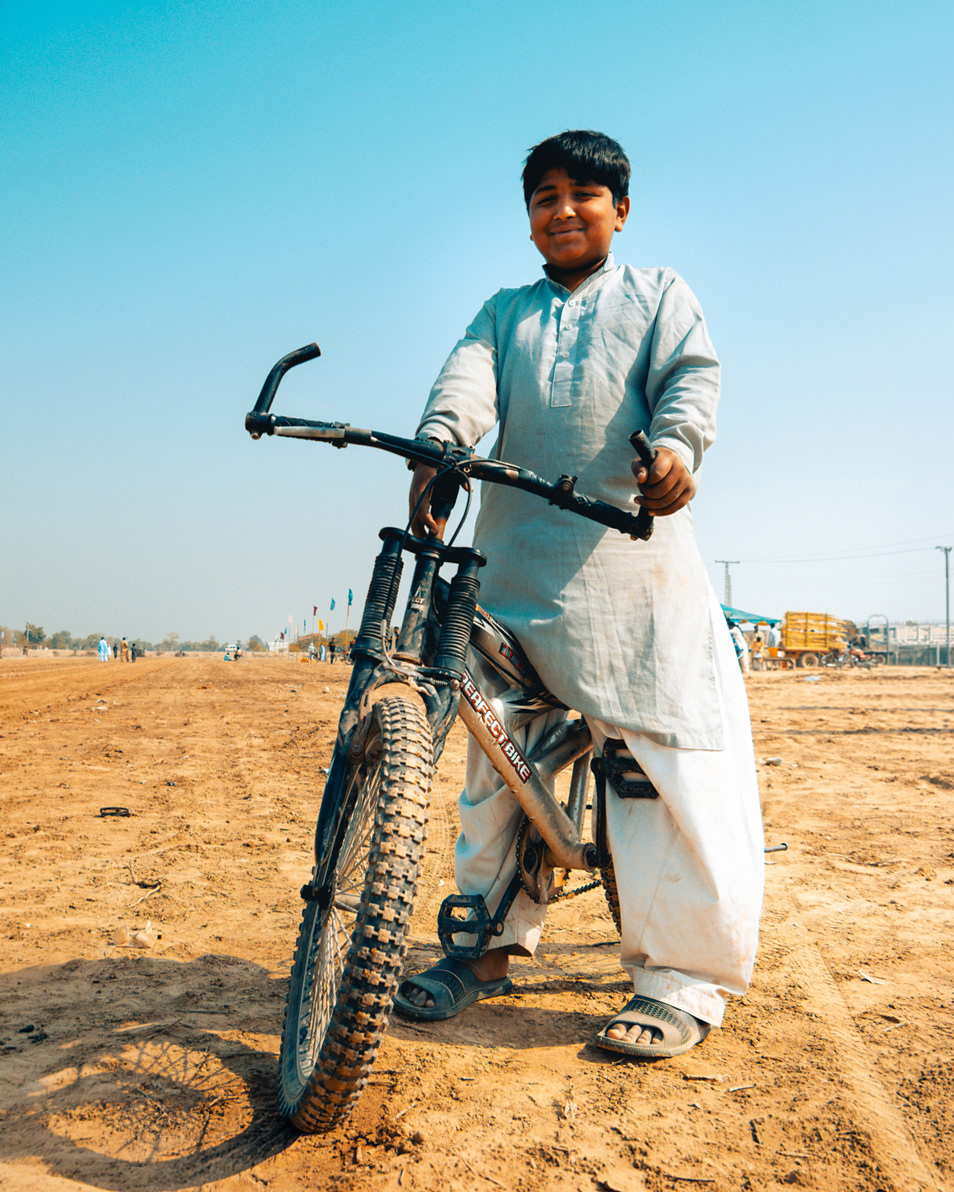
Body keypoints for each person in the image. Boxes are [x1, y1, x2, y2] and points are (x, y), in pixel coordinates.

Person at [394, 130, 764, 1060]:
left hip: (633, 575)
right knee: (498, 763)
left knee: (654, 773)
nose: (562, 210)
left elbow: (690, 384)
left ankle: (679, 980)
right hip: (513, 576)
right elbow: (464, 387)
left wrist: (674, 452)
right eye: (544, 197)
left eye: (583, 194)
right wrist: (440, 447)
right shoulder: (503, 314)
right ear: (528, 220)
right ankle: (481, 950)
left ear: (620, 210)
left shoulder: (660, 296)